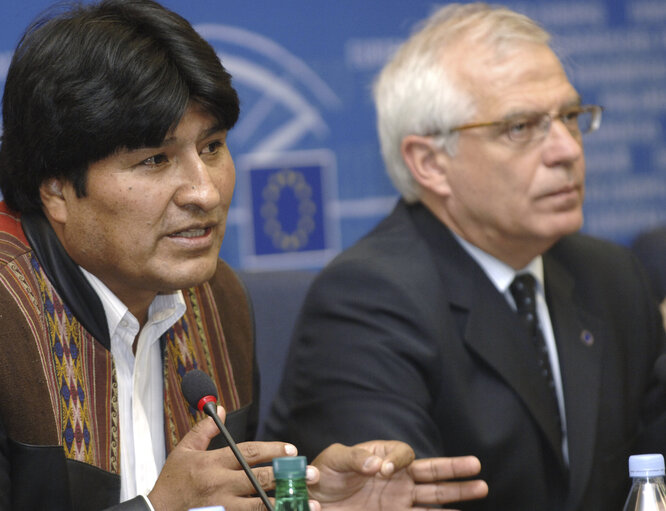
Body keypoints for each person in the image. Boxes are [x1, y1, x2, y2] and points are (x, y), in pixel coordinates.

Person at [0, 1, 489, 510]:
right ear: (56, 189)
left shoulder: (217, 299)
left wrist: (300, 500)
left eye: (212, 147)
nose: (204, 191)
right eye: (155, 160)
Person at [265, 3, 666, 510]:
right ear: (430, 162)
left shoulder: (612, 276)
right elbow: (398, 500)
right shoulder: (366, 302)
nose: (566, 149)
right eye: (521, 127)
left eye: (569, 116)